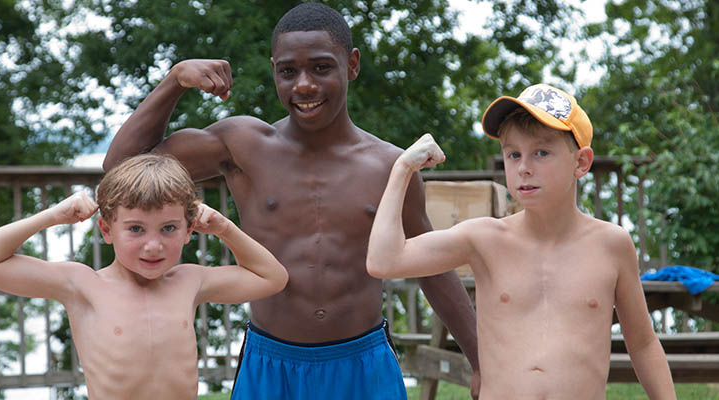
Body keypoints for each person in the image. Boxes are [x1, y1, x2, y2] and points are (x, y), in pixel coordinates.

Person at [103, 2, 481, 398]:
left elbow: (432, 268)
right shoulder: (244, 145)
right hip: (270, 361)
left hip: (362, 363)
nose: (303, 85)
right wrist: (175, 80)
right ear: (274, 71)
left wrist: (480, 361)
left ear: (351, 65)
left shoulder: (390, 165)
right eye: (288, 71)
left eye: (321, 67)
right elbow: (121, 167)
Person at [367, 84, 676, 399]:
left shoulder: (612, 244)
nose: (524, 167)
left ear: (581, 163)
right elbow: (383, 261)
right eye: (513, 154)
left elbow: (642, 343)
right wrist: (403, 169)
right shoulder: (483, 239)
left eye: (541, 152)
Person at [0, 154, 288, 400]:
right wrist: (52, 216)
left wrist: (224, 228)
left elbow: (272, 278)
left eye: (169, 228)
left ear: (189, 231)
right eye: (136, 229)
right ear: (106, 229)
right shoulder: (82, 285)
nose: (153, 245)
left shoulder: (190, 281)